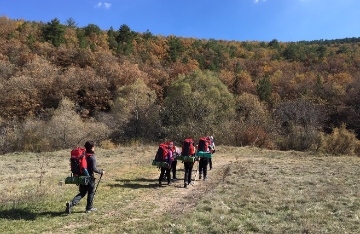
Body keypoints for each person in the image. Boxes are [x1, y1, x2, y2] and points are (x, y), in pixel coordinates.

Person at [66, 141, 105, 214]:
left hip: (81, 177)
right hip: (89, 178)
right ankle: (89, 208)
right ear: (92, 147)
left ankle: (71, 203)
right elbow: (94, 169)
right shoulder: (92, 157)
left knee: (82, 192)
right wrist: (101, 172)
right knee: (91, 192)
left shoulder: (83, 155)